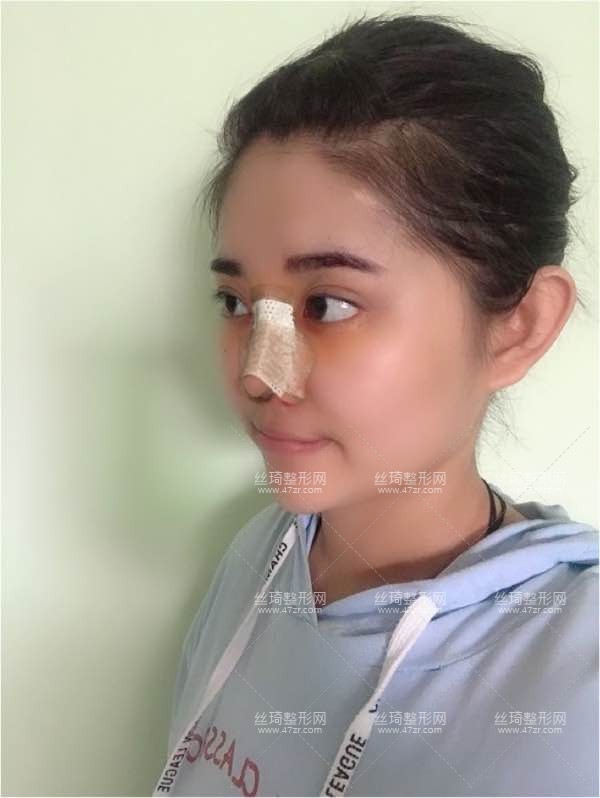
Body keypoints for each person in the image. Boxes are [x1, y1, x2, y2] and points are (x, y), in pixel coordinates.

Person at [153, 11, 599, 797]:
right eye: (236, 303)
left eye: (327, 304)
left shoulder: (576, 674)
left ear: (519, 327)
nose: (260, 374)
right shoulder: (259, 554)